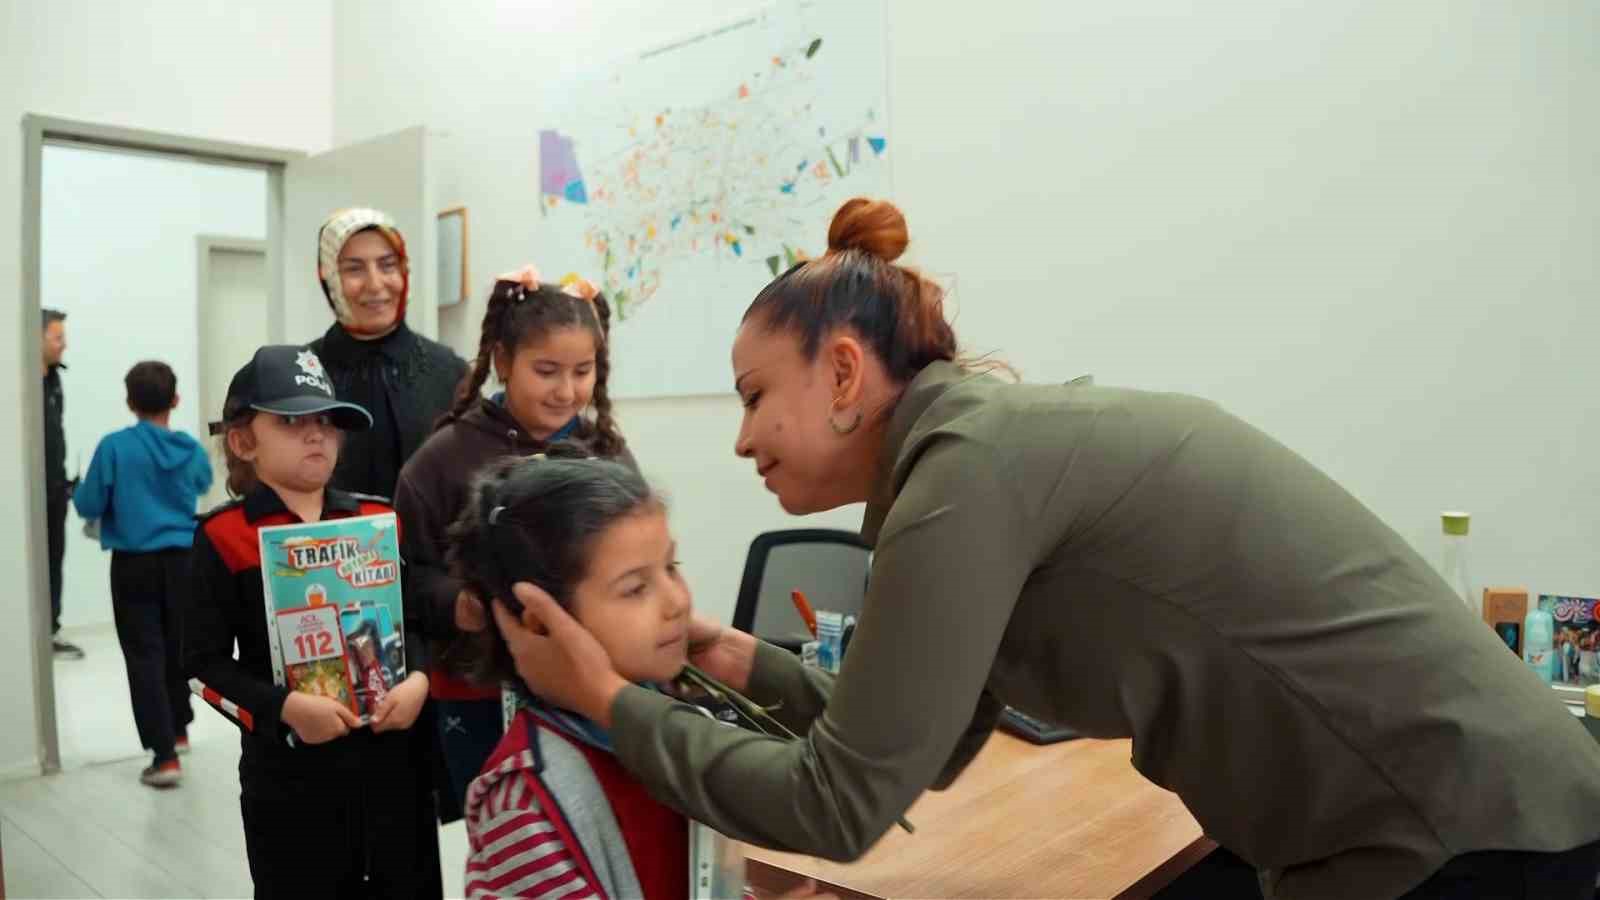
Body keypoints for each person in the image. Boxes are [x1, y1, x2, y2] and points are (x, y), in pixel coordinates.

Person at [491, 198, 1600, 900]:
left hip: (1461, 837)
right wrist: (734, 662)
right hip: (1448, 815)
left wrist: (613, 697)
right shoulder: (978, 451)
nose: (739, 440)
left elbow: (842, 804)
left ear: (839, 376)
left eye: (752, 399)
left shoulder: (963, 482)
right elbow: (919, 745)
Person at [183, 344, 442, 899]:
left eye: (327, 421)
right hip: (290, 783)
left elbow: (418, 626)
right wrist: (285, 710)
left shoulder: (378, 520)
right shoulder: (221, 538)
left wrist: (419, 679)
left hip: (395, 775)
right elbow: (200, 665)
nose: (316, 434)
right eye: (291, 421)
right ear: (243, 440)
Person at [394, 267, 635, 819]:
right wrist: (458, 603)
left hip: (583, 686)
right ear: (503, 362)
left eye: (583, 372)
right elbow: (402, 577)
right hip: (477, 693)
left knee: (576, 836)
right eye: (546, 370)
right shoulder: (443, 459)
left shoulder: (607, 456)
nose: (567, 390)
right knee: (501, 834)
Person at [72, 361, 212, 785]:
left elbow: (88, 504)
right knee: (177, 648)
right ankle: (180, 728)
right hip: (184, 561)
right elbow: (204, 483)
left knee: (144, 655)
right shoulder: (189, 448)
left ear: (130, 401)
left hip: (134, 565)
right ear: (176, 400)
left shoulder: (115, 447)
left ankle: (164, 756)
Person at [307, 207, 468, 500]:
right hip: (331, 542)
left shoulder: (449, 371)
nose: (375, 284)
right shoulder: (302, 373)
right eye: (354, 268)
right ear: (328, 277)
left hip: (433, 544)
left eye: (388, 265)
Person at [40, 307, 84, 660]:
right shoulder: (24, 382)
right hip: (32, 495)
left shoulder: (55, 379)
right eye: (58, 338)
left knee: (55, 559)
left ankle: (49, 630)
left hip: (55, 492)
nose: (64, 345)